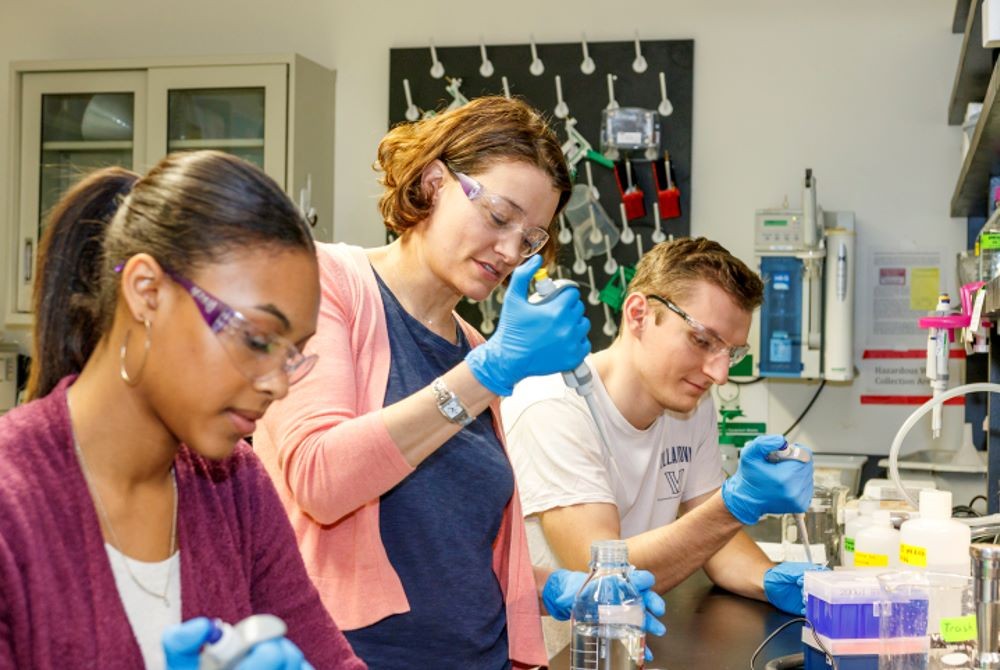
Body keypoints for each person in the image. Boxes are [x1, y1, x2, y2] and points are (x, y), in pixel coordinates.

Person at [253, 96, 664, 669]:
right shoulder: (327, 283)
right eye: (499, 216)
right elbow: (321, 479)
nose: (510, 250)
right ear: (435, 182)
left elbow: (450, 553)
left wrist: (550, 587)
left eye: (531, 238)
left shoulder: (473, 346)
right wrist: (490, 372)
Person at [0, 152, 365, 669]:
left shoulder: (236, 488)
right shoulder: (13, 503)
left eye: (293, 353)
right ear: (146, 291)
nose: (278, 384)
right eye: (258, 338)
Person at [502, 236, 823, 657]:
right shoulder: (554, 406)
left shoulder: (691, 404)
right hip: (560, 655)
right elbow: (598, 572)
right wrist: (735, 504)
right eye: (703, 340)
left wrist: (769, 579)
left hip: (627, 645)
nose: (720, 373)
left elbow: (715, 537)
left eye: (733, 352)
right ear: (638, 315)